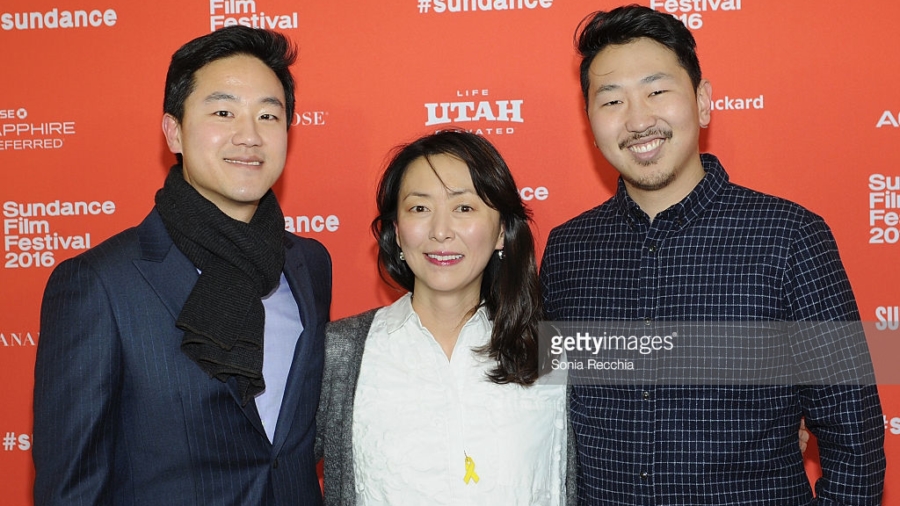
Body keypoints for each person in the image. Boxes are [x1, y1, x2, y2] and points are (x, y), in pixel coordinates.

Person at [539, 5, 885, 504]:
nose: (639, 119)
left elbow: (855, 440)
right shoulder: (569, 250)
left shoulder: (789, 237)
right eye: (611, 100)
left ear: (702, 102)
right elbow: (551, 416)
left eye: (657, 91)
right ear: (590, 119)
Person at [32, 26, 331, 505]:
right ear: (174, 130)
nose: (249, 135)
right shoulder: (100, 284)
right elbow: (70, 489)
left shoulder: (308, 265)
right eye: (223, 111)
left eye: (268, 115)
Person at [316, 130, 569, 505]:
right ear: (397, 232)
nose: (440, 231)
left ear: (501, 230)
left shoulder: (553, 348)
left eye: (463, 208)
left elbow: (678, 364)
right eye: (420, 208)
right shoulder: (341, 350)